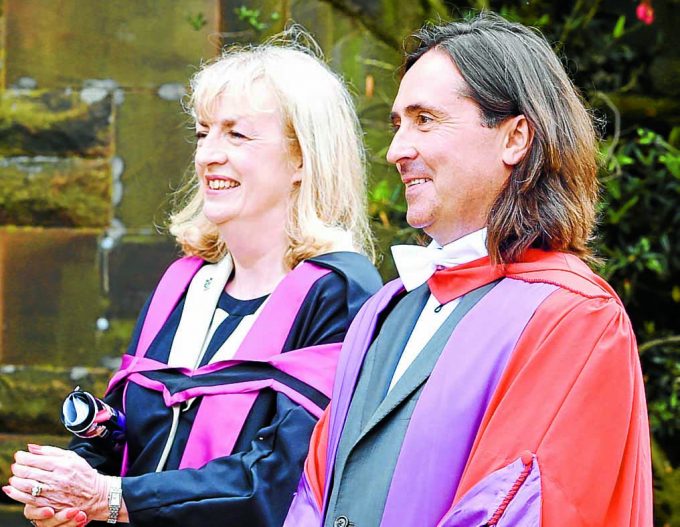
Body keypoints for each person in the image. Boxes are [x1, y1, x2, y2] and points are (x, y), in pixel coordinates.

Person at [284, 13, 653, 527]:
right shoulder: (382, 313)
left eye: (425, 120)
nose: (395, 151)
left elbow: (520, 512)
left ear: (515, 138)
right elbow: (314, 498)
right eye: (397, 125)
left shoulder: (575, 321)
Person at [3, 35, 382, 527]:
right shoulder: (186, 282)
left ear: (303, 159)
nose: (208, 156)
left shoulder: (339, 292)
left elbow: (280, 479)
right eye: (203, 133)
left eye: (236, 135)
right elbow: (123, 429)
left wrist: (113, 498)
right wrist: (71, 482)